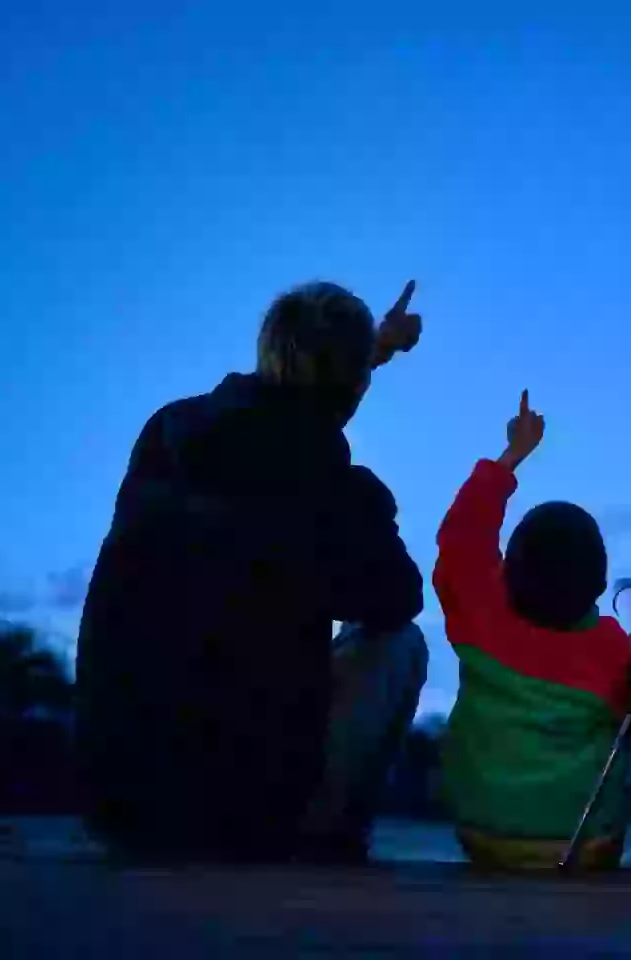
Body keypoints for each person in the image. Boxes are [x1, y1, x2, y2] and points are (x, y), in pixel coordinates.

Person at [76, 279, 429, 864]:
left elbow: (282, 419)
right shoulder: (334, 490)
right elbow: (398, 597)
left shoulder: (170, 433)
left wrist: (373, 350)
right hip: (247, 818)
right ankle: (324, 835)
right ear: (356, 383)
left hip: (123, 807)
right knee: (399, 645)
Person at [434, 391, 631, 870]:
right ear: (600, 583)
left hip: (481, 833)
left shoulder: (480, 611)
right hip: (580, 846)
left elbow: (463, 536)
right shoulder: (612, 648)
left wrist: (511, 457)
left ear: (508, 569)